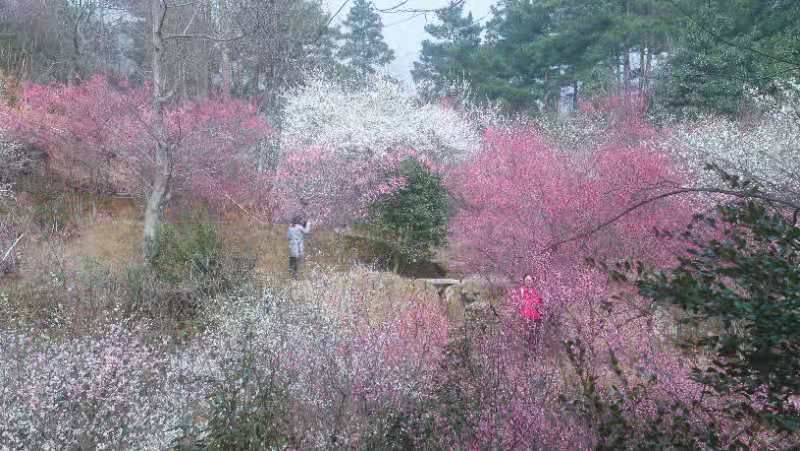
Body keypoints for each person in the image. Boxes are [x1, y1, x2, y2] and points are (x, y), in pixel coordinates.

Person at [509, 273, 544, 344]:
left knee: (536, 340)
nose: (529, 282)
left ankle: (535, 353)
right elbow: (515, 304)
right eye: (527, 280)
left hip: (537, 320)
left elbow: (541, 305)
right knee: (526, 341)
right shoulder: (521, 292)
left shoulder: (537, 292)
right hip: (525, 320)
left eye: (530, 280)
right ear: (524, 281)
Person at [287, 215, 311, 279]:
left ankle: (291, 272)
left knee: (292, 259)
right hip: (298, 246)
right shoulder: (299, 227)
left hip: (291, 245)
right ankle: (295, 275)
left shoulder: (290, 227)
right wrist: (308, 224)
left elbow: (288, 236)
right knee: (297, 261)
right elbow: (306, 231)